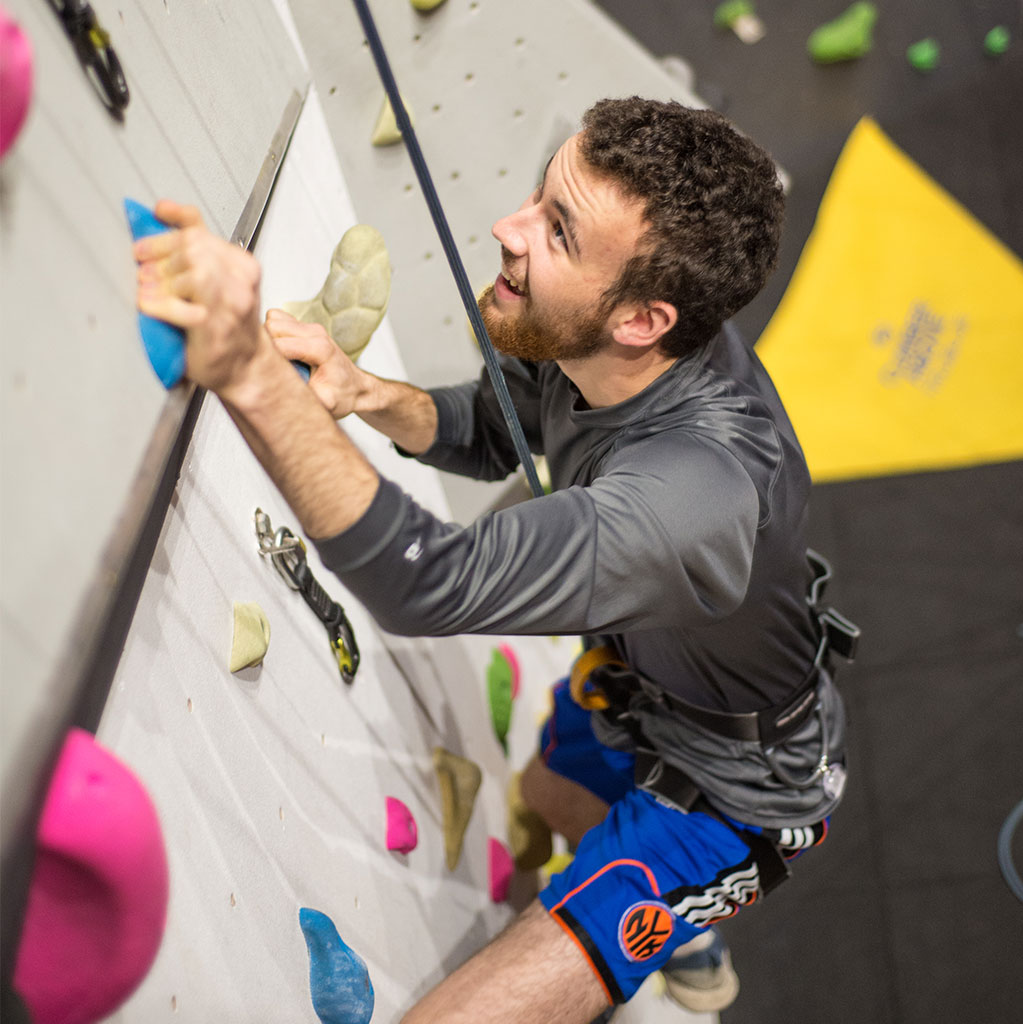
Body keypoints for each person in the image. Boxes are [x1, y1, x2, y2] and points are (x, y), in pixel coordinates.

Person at [134, 97, 851, 1023]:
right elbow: (492, 427)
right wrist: (365, 394)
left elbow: (434, 579)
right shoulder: (611, 341)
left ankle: (690, 918)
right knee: (548, 790)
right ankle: (681, 928)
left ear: (643, 318)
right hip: (648, 689)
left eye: (556, 231)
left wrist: (248, 375)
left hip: (740, 792)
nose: (507, 230)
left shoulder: (696, 494)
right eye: (541, 196)